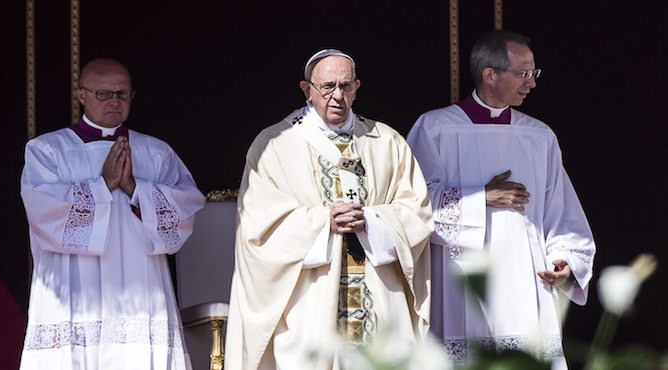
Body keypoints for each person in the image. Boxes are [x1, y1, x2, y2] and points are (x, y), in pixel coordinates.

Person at [224, 49, 434, 369]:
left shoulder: (387, 142)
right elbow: (257, 228)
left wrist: (372, 221)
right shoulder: (274, 145)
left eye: (346, 86)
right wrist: (324, 222)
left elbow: (417, 212)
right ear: (307, 89)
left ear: (357, 87)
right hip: (310, 302)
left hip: (378, 298)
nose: (337, 96)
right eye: (327, 87)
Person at [406, 30, 596, 369]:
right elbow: (413, 209)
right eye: (523, 73)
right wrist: (482, 197)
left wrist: (565, 261)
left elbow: (559, 209)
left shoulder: (538, 137)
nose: (531, 83)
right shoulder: (435, 129)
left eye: (534, 73)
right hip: (460, 282)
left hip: (527, 282)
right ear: (489, 75)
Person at [19, 57, 206, 369]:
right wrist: (102, 185)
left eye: (122, 94)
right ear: (81, 95)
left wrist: (136, 188)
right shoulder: (47, 150)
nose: (114, 102)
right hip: (75, 288)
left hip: (140, 281)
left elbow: (183, 212)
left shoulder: (155, 152)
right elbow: (43, 213)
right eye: (103, 94)